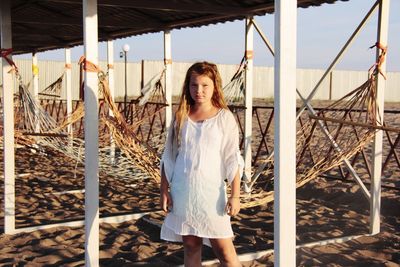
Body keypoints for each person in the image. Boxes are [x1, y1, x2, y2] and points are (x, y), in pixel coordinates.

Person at [159, 61, 244, 267]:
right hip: (183, 191)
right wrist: (164, 190)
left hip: (212, 194)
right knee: (191, 245)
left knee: (224, 250)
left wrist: (235, 195)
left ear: (214, 86)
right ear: (187, 87)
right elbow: (169, 156)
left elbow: (232, 158)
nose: (199, 90)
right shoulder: (180, 116)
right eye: (194, 85)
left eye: (205, 85)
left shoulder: (224, 118)